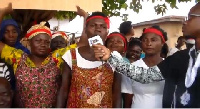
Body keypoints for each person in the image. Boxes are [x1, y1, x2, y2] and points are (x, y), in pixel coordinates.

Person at [92, 2, 200, 108]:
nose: (185, 22)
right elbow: (145, 76)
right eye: (145, 40)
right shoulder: (180, 57)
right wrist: (110, 57)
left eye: (190, 17)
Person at [0, 18, 75, 107]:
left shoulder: (56, 58)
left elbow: (80, 45)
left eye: (46, 42)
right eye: (38, 41)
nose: (43, 44)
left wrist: (85, 17)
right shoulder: (18, 58)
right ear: (29, 42)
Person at [57, 12, 121, 108]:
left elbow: (116, 94)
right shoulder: (71, 55)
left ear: (107, 32)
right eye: (93, 26)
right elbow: (63, 91)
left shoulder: (115, 57)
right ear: (85, 30)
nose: (98, 29)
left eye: (103, 27)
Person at [105, 32, 131, 108]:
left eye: (119, 41)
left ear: (124, 49)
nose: (114, 43)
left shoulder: (125, 62)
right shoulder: (101, 61)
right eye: (111, 41)